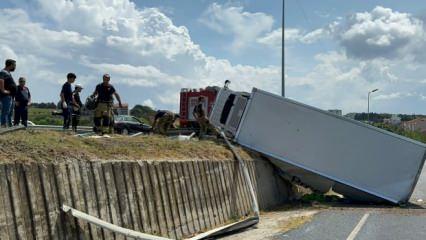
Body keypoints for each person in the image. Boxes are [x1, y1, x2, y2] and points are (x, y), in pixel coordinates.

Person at [0, 59, 17, 127]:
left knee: (10, 112)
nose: (15, 67)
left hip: (10, 96)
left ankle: (9, 126)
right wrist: (3, 90)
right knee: (5, 111)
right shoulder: (3, 72)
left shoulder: (8, 73)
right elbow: (1, 80)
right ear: (10, 65)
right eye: (14, 65)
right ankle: (3, 125)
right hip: (6, 96)